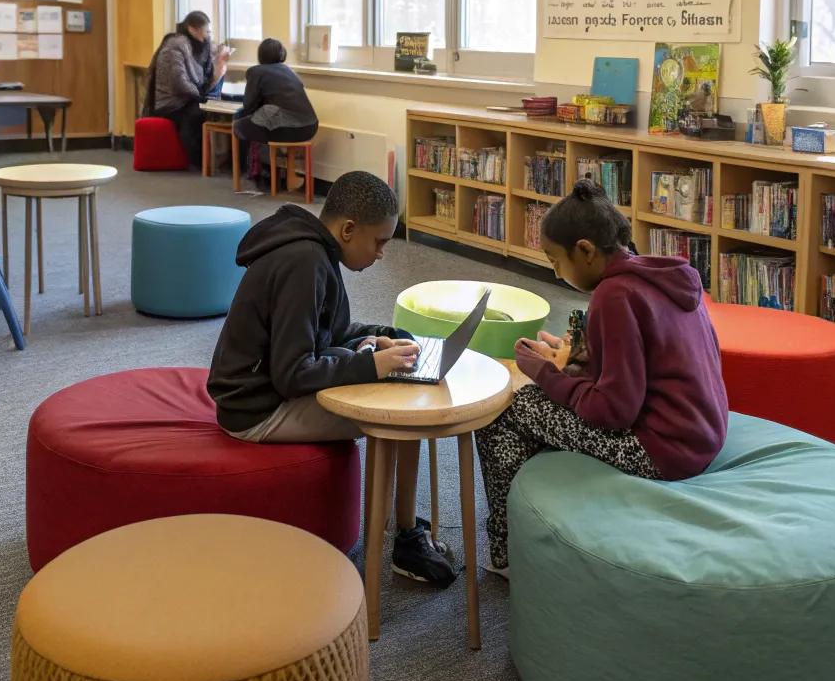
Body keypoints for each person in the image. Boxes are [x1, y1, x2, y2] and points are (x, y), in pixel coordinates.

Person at [207, 169, 457, 587]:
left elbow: (332, 331)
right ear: (348, 229)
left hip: (269, 389)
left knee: (395, 388)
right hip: (256, 408)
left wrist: (383, 337)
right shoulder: (303, 263)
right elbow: (292, 374)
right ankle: (406, 539)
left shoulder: (318, 251)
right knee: (403, 415)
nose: (380, 255)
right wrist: (370, 366)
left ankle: (407, 526)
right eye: (379, 242)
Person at [476, 179, 729, 575]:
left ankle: (508, 551)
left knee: (507, 409)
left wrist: (545, 374)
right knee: (539, 403)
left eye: (556, 261)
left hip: (663, 451)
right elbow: (645, 367)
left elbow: (612, 411)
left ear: (586, 251)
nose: (557, 275)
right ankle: (542, 517)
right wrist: (577, 362)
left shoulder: (614, 296)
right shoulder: (662, 279)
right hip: (703, 433)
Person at [143, 11, 230, 167]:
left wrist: (220, 65)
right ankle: (198, 160)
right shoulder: (174, 47)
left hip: (190, 98)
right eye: (207, 32)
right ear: (193, 29)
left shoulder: (201, 47)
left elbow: (207, 75)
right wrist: (202, 97)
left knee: (219, 105)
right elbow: (179, 83)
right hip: (171, 103)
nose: (208, 36)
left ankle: (222, 160)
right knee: (198, 113)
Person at [233, 38, 318, 193]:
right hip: (309, 127)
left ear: (260, 55)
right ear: (282, 54)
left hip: (285, 127)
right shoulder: (288, 71)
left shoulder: (256, 71)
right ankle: (269, 173)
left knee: (240, 125)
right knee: (265, 120)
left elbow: (249, 105)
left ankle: (251, 173)